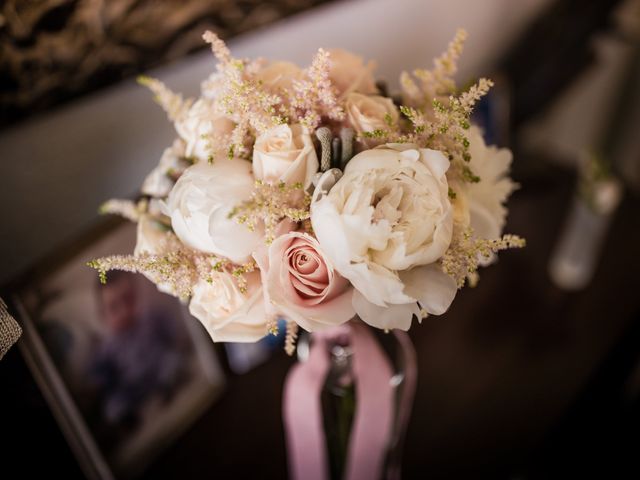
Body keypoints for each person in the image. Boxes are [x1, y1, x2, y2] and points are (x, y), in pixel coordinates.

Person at [89, 271, 189, 438]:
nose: (124, 311)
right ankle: (128, 420)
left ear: (136, 295)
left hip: (157, 370)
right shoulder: (107, 346)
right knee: (114, 405)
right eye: (114, 307)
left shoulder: (151, 319)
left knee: (172, 361)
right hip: (131, 387)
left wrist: (179, 342)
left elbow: (174, 333)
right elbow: (100, 372)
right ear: (103, 315)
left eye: (128, 300)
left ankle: (167, 389)